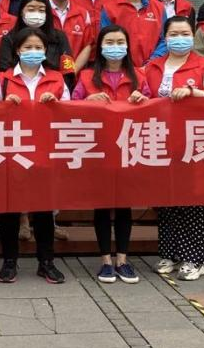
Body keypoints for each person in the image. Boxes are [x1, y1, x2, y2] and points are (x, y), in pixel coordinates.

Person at [0, 27, 69, 285]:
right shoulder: (3, 79)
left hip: (45, 150)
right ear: (18, 50)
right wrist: (4, 106)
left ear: (46, 51)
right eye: (28, 47)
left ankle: (46, 262)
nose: (33, 52)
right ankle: (9, 261)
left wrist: (57, 105)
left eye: (38, 48)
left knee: (43, 210)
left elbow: (72, 113)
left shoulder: (56, 78)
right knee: (10, 209)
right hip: (12, 150)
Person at [141, 16, 204, 281]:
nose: (180, 38)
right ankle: (170, 253)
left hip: (193, 141)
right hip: (160, 140)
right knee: (165, 200)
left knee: (191, 200)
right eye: (174, 34)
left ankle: (193, 258)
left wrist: (194, 93)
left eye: (185, 33)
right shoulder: (153, 66)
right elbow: (143, 93)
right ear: (165, 38)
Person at [73, 25, 149, 284]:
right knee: (103, 206)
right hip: (98, 150)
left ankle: (123, 260)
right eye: (109, 42)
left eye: (119, 42)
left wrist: (143, 100)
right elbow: (71, 107)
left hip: (128, 149)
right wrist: (87, 102)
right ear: (101, 47)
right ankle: (106, 260)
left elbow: (154, 109)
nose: (115, 47)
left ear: (127, 46)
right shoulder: (86, 77)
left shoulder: (139, 76)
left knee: (125, 206)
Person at [100, 0, 166, 65]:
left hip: (153, 67)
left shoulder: (159, 7)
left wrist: (152, 62)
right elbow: (105, 40)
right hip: (121, 67)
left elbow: (165, 40)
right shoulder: (109, 8)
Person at [0, 0, 75, 78]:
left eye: (41, 10)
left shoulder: (59, 37)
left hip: (54, 84)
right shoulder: (9, 38)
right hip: (17, 84)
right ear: (21, 12)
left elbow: (68, 70)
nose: (36, 14)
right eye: (31, 10)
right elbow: (4, 69)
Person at [46, 0, 96, 71]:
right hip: (46, 74)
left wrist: (73, 71)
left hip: (74, 73)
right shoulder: (41, 11)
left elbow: (87, 46)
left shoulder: (82, 13)